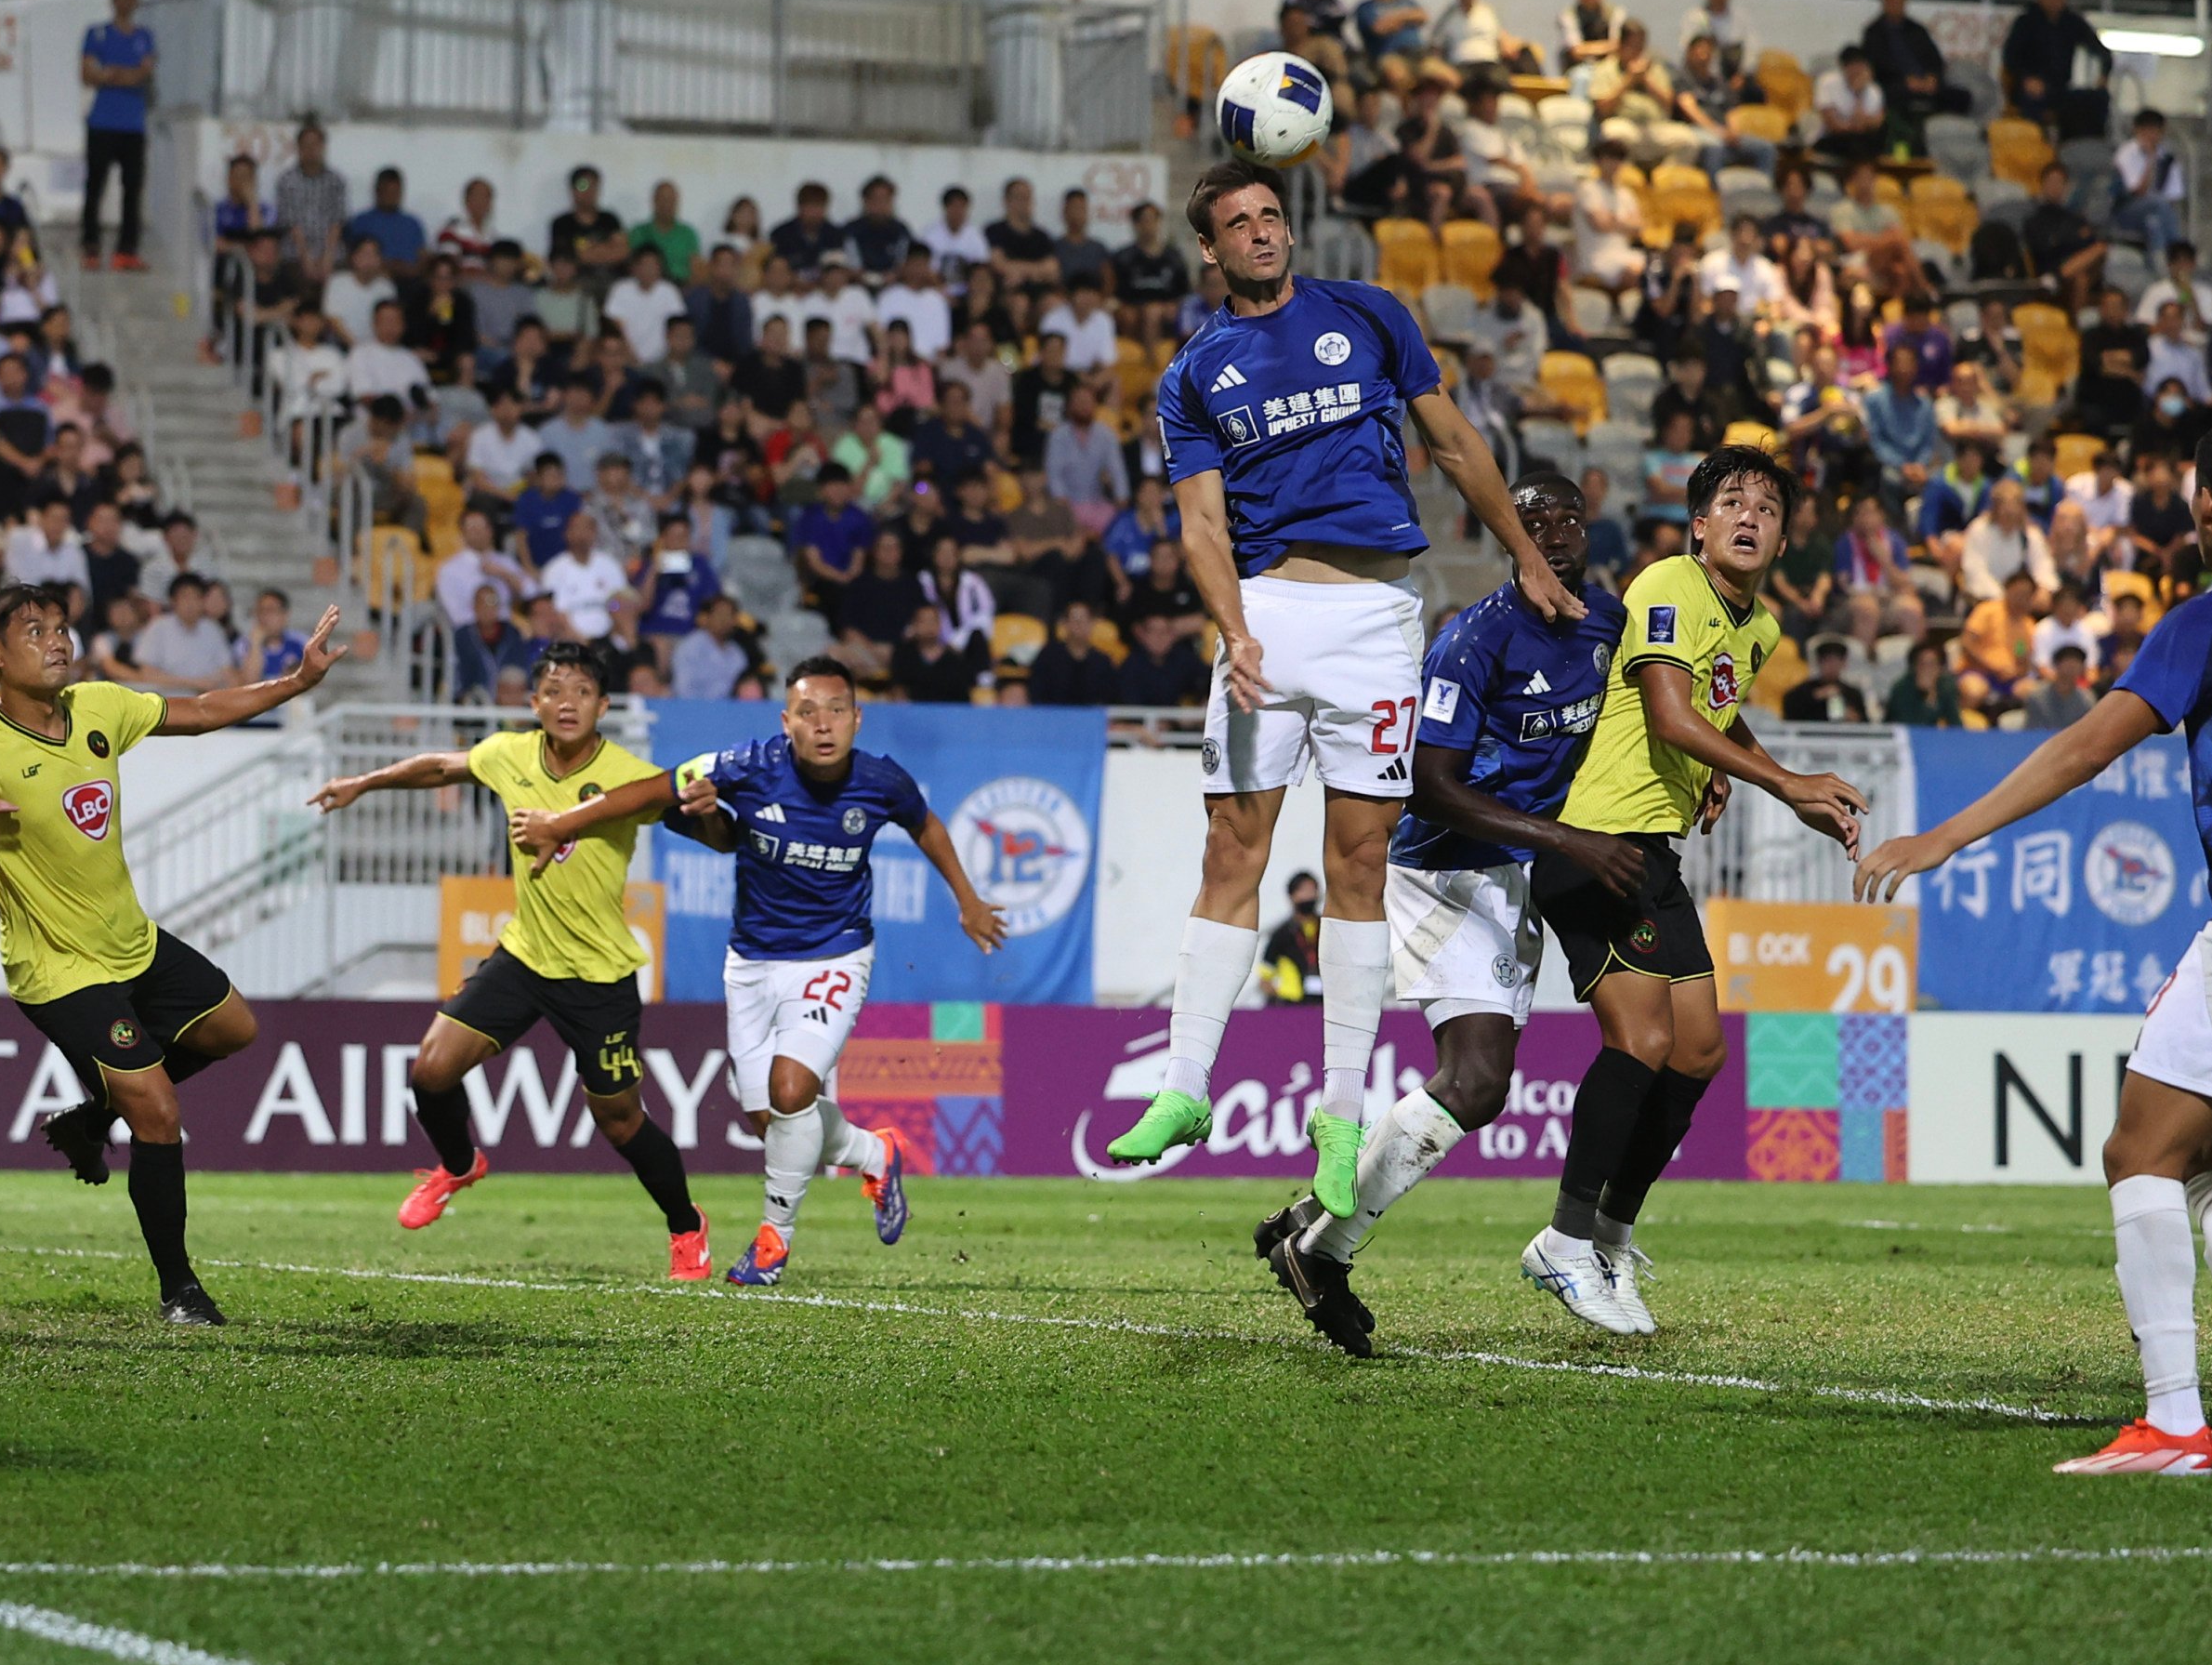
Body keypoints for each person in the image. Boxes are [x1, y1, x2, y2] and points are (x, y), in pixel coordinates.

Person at [1858, 418, 2212, 1475]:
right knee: (2210, 1155)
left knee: (2137, 1153)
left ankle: (2170, 1418)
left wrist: (1941, 835)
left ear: (2204, 506)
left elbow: (2083, 746)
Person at [1096, 163, 1584, 1233]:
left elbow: (1453, 443)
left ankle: (1339, 1118)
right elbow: (1201, 525)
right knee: (1234, 851)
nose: (1263, 232)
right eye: (1239, 223)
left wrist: (1524, 556)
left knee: (1359, 863)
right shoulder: (1192, 373)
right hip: (1267, 613)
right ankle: (1183, 1084)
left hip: (1375, 621)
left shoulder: (1368, 315)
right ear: (1211, 251)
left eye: (1272, 215)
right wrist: (1233, 629)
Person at [0, 587, 350, 1325]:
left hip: (131, 942)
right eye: (34, 632)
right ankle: (180, 1291)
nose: (57, 641)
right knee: (158, 1111)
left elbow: (196, 714)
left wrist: (294, 683)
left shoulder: (100, 705)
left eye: (62, 628)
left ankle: (93, 1118)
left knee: (235, 1029)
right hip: (59, 970)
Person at [1257, 474, 1639, 1355]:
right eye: (1529, 521)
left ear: (1588, 531)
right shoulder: (1472, 641)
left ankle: (1308, 1217)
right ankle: (1324, 1251)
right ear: (1506, 537)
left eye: (1564, 518)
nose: (1549, 533)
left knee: (1483, 1087)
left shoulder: (1607, 625)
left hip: (1516, 875)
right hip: (1443, 872)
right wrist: (1569, 839)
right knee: (1474, 1081)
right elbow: (1431, 784)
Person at [501, 659, 1007, 1285]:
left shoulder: (881, 781)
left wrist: (968, 899)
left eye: (836, 710)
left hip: (835, 955)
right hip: (750, 962)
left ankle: (772, 1243)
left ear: (857, 718)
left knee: (791, 1091)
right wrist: (561, 823)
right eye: (807, 712)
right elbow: (653, 790)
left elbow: (924, 823)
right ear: (785, 722)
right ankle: (875, 1153)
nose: (823, 725)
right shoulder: (746, 764)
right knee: (770, 1119)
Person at [1526, 446, 1866, 1335]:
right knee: (1639, 1041)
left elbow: (1709, 707)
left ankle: (1606, 1236)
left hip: (1651, 852)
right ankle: (1562, 1241)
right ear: (1699, 526)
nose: (1749, 514)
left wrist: (1728, 770)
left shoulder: (1757, 629)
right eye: (1730, 501)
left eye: (1766, 505)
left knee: (1699, 1052)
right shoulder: (1671, 583)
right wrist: (1784, 782)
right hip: (1596, 841)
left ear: (1785, 538)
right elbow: (1671, 713)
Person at [311, 642, 734, 1277]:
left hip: (599, 976)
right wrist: (362, 783)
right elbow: (439, 767)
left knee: (620, 1123)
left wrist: (713, 815)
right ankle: (458, 1166)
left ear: (604, 706)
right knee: (430, 1071)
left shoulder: (626, 775)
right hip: (524, 958)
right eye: (554, 691)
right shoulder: (508, 754)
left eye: (582, 692)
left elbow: (710, 835)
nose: (568, 703)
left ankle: (685, 1225)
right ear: (533, 703)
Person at [79, 0, 155, 267]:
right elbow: (87, 75)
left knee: (132, 188)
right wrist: (125, 75)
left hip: (133, 125)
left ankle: (126, 250)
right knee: (94, 186)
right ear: (114, 0)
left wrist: (110, 74)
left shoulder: (144, 36)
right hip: (101, 123)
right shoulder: (96, 34)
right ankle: (90, 246)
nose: (127, 1)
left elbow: (144, 74)